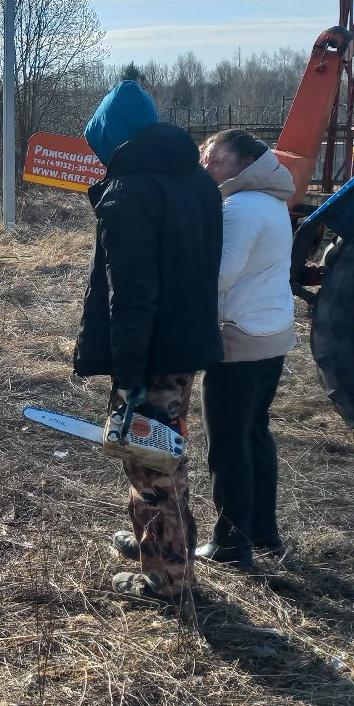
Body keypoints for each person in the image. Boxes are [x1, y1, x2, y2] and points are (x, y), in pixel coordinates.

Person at [73, 79, 223, 607]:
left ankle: (166, 581)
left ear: (114, 136)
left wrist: (129, 373)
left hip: (153, 353)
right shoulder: (197, 180)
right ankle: (164, 553)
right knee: (168, 456)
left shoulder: (130, 191)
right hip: (185, 346)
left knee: (149, 463)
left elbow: (132, 295)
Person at [197, 129, 296, 568]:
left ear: (243, 165)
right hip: (272, 332)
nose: (207, 165)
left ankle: (231, 543)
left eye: (214, 159)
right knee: (255, 432)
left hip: (240, 336)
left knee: (228, 442)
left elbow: (218, 275)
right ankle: (263, 533)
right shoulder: (272, 202)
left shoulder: (239, 207)